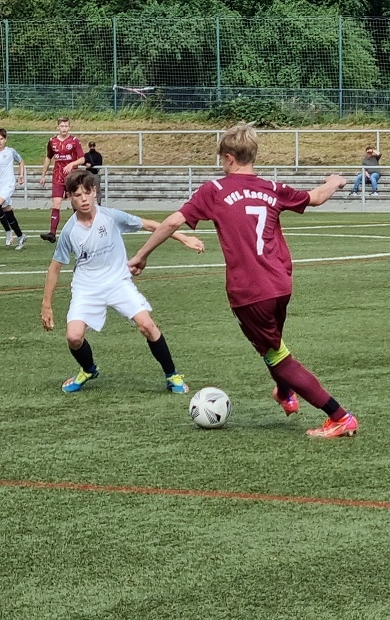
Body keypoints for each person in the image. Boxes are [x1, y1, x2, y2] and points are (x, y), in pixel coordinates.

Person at [128, 123, 359, 439]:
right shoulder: (271, 187)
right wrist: (334, 181)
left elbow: (171, 223)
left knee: (278, 356)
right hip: (280, 284)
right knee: (272, 344)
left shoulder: (215, 190)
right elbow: (317, 197)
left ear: (228, 157)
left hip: (249, 290)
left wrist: (141, 255)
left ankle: (339, 417)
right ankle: (285, 393)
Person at [41, 169, 204, 395]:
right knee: (73, 337)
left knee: (147, 326)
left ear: (95, 192)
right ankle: (88, 370)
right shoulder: (69, 231)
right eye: (77, 195)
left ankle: (172, 375)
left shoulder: (110, 216)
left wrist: (184, 238)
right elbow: (55, 267)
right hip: (86, 288)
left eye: (87, 193)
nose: (84, 199)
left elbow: (150, 225)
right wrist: (46, 305)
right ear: (69, 197)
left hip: (118, 282)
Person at [39, 117, 85, 243]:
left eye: (66, 126)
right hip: (57, 177)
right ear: (58, 127)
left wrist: (72, 164)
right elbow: (48, 158)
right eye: (62, 126)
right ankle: (52, 233)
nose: (64, 128)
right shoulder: (52, 141)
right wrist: (43, 175)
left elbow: (82, 159)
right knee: (56, 203)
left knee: (75, 203)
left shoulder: (74, 141)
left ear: (69, 127)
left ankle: (80, 229)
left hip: (72, 177)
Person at [0, 128, 27, 250]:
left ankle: (8, 231)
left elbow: (21, 161)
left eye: (1, 139)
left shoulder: (10, 152)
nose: (0, 141)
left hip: (8, 184)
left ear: (5, 139)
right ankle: (21, 236)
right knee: (8, 212)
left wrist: (21, 175)